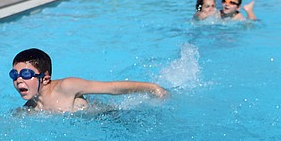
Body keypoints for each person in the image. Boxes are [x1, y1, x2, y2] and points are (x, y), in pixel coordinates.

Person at [11, 48, 169, 113]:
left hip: (113, 118)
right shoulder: (29, 110)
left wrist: (152, 87)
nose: (19, 80)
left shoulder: (66, 87)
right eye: (14, 75)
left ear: (45, 78)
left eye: (25, 74)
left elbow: (112, 88)